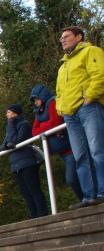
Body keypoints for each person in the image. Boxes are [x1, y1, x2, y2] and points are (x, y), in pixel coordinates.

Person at [56, 26, 104, 209]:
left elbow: (100, 75)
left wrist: (90, 97)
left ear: (79, 37)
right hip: (70, 115)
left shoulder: (91, 51)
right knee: (81, 156)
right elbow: (59, 91)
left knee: (97, 150)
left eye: (66, 36)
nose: (62, 40)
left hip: (89, 108)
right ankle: (88, 196)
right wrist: (61, 107)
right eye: (61, 38)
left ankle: (102, 192)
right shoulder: (63, 66)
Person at [30, 83, 84, 201]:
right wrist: (48, 126)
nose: (35, 102)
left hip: (70, 148)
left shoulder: (53, 103)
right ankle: (85, 200)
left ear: (42, 96)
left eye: (36, 99)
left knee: (72, 179)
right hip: (62, 151)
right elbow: (34, 131)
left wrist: (44, 126)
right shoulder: (38, 111)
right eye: (34, 100)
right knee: (75, 178)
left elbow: (56, 123)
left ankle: (88, 200)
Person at [0, 103, 48, 218]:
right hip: (15, 165)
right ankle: (34, 216)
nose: (7, 114)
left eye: (8, 112)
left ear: (15, 113)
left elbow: (17, 140)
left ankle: (43, 215)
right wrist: (8, 144)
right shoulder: (9, 127)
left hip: (27, 161)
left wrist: (10, 141)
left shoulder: (24, 124)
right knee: (25, 193)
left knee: (34, 189)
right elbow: (3, 146)